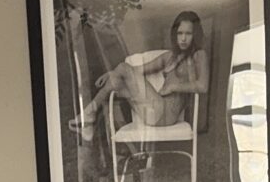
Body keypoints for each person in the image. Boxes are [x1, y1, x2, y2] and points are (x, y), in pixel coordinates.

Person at [70, 10, 210, 140]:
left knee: (123, 69)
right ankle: (90, 122)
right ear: (175, 35)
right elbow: (137, 70)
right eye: (180, 33)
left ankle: (90, 115)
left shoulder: (199, 55)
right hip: (153, 112)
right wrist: (112, 73)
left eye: (188, 33)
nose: (183, 38)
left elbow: (203, 86)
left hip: (166, 114)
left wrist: (174, 87)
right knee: (116, 82)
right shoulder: (169, 57)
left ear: (195, 35)